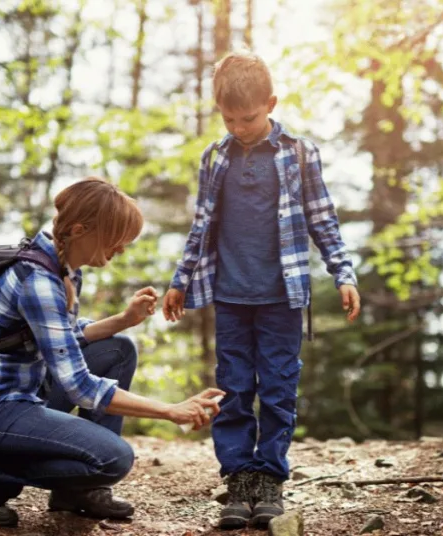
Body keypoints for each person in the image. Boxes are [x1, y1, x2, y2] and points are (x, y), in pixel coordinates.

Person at [0, 177, 224, 527]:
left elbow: (64, 338)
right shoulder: (39, 281)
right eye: (116, 238)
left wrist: (124, 319)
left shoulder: (63, 268)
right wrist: (171, 411)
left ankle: (76, 493)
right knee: (113, 459)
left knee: (118, 350)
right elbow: (80, 386)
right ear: (80, 230)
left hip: (23, 392)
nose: (122, 248)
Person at [162, 51, 361, 529]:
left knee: (276, 388)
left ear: (270, 103)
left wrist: (344, 272)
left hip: (282, 298)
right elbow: (202, 225)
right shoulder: (215, 157)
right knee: (232, 387)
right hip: (229, 297)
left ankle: (269, 476)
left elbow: (322, 218)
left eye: (248, 117)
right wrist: (180, 280)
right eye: (228, 118)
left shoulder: (298, 153)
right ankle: (238, 477)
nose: (239, 126)